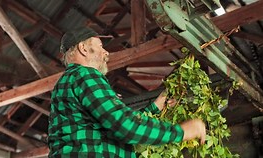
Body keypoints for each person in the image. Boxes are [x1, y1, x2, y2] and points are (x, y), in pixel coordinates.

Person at [48, 26, 206, 157]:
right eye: (100, 46)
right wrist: (181, 132)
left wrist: (154, 108)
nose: (106, 53)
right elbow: (124, 125)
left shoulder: (67, 82)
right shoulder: (84, 74)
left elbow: (111, 126)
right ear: (83, 48)